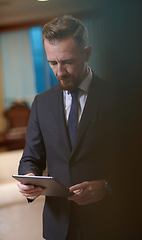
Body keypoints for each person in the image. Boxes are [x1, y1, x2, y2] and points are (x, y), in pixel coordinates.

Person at [17, 15, 120, 240]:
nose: (60, 72)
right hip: (58, 225)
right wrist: (28, 177)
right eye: (52, 63)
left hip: (110, 222)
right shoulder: (41, 103)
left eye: (68, 61)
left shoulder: (120, 98)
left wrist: (107, 185)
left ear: (87, 54)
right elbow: (30, 157)